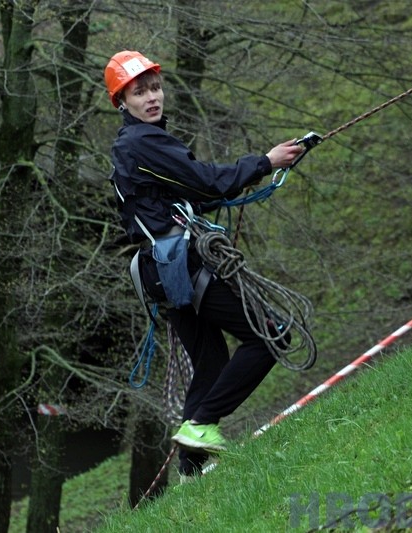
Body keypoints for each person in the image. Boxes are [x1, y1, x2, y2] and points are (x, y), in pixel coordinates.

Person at [104, 50, 304, 480]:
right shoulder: (144, 142)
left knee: (211, 364)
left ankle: (191, 473)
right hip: (182, 265)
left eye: (155, 88)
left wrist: (255, 173)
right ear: (122, 102)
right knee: (270, 336)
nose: (151, 98)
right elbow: (208, 182)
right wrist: (265, 162)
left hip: (160, 272)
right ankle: (201, 424)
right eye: (139, 93)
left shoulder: (132, 146)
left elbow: (193, 195)